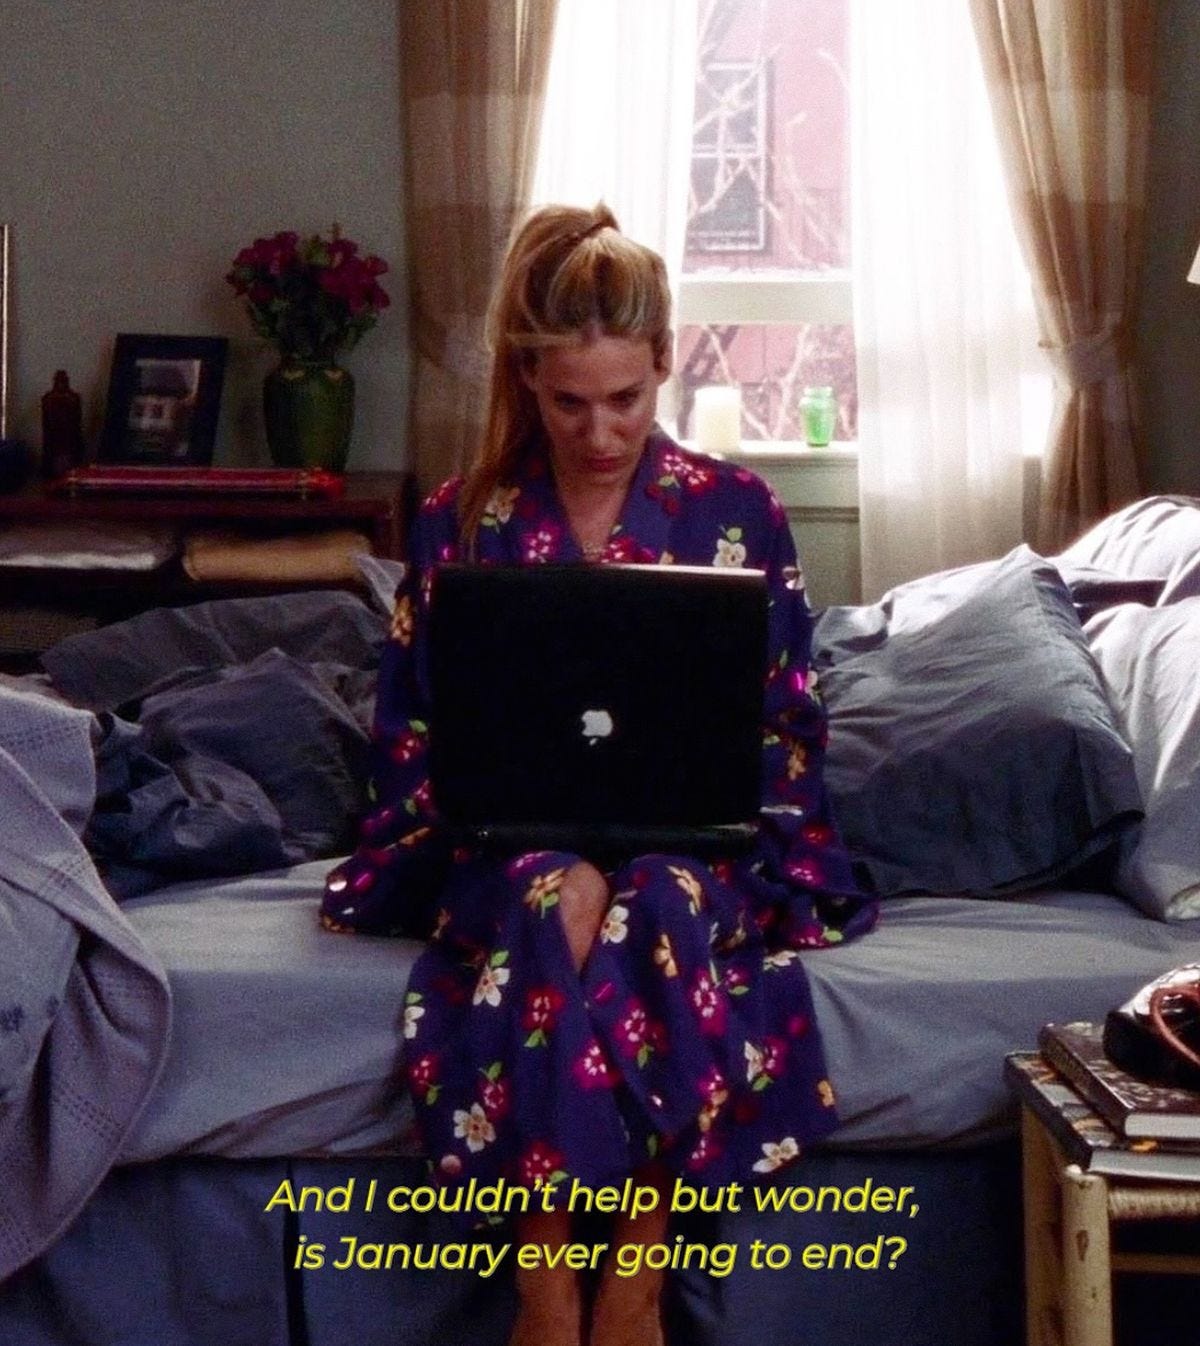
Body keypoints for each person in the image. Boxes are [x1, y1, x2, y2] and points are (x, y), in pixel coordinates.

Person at [322, 203, 878, 1346]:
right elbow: (412, 730)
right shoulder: (461, 520)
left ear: (666, 360)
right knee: (560, 895)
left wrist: (718, 825)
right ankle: (546, 1275)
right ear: (528, 378)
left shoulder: (741, 512)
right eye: (570, 402)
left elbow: (786, 725)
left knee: (656, 899)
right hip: (505, 844)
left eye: (626, 397)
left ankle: (636, 1266)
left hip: (696, 845)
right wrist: (491, 830)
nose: (601, 430)